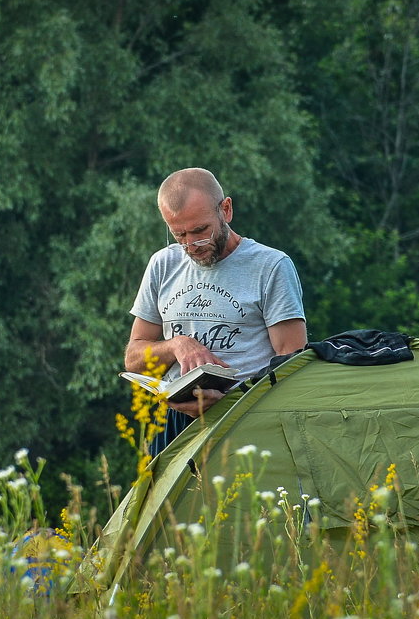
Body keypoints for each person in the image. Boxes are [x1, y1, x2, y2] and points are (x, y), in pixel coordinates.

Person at [126, 167, 307, 455]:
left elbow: (293, 366)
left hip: (247, 422)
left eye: (200, 231)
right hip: (172, 425)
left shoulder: (270, 266)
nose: (190, 246)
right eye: (179, 235)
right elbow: (134, 358)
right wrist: (177, 346)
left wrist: (230, 399)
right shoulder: (163, 264)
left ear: (226, 209)